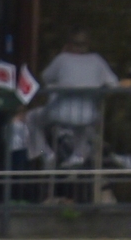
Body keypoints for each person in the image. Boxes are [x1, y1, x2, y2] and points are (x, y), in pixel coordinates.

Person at [40, 29, 117, 169]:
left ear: (68, 45)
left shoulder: (62, 59)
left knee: (32, 120)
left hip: (60, 113)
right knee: (82, 126)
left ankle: (46, 154)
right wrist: (99, 94)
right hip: (88, 114)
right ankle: (78, 156)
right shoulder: (97, 60)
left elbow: (46, 77)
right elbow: (113, 84)